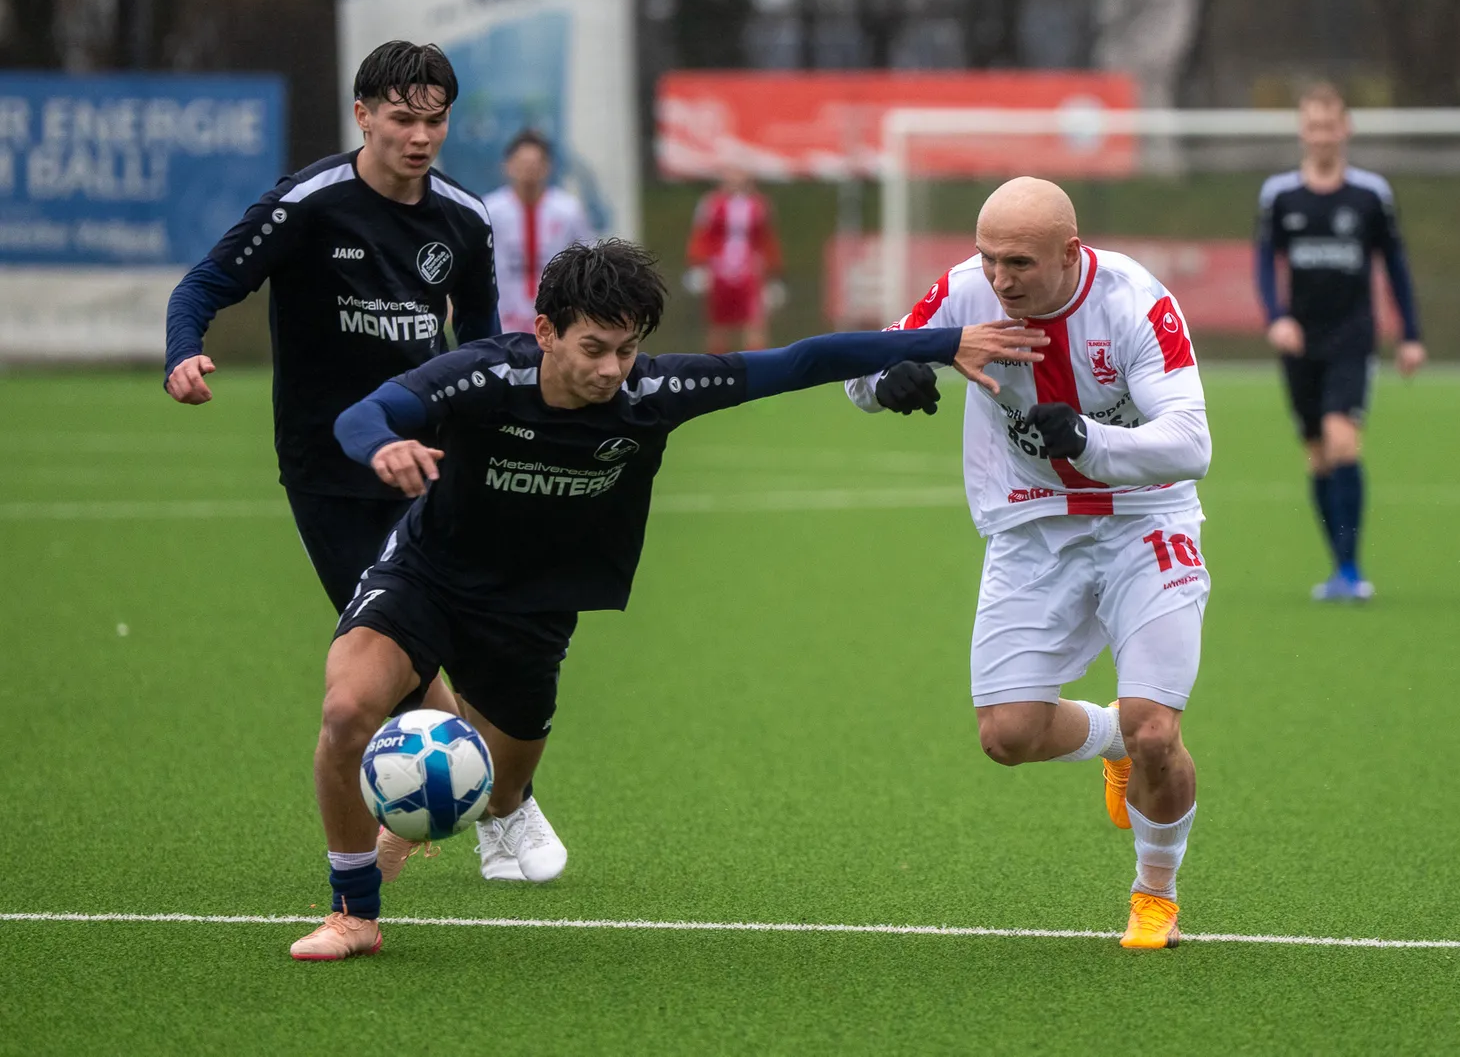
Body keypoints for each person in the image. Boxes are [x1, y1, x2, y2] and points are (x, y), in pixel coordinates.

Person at [287, 238, 1047, 960]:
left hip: (535, 608)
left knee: (502, 785)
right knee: (348, 710)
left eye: (626, 350)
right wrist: (384, 445)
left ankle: (478, 809)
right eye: (593, 349)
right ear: (545, 332)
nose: (612, 370)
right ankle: (354, 913)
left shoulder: (654, 391)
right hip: (426, 576)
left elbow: (801, 360)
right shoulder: (482, 377)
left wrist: (943, 343)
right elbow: (361, 416)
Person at [161, 41, 546, 882]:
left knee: (466, 636)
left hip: (429, 460)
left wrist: (498, 437)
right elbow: (203, 285)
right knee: (399, 653)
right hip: (328, 471)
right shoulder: (307, 204)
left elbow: (481, 345)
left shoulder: (464, 217)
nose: (420, 136)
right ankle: (496, 806)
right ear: (363, 115)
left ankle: (490, 810)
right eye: (402, 119)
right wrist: (182, 352)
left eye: (435, 120)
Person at [844, 178, 1212, 950]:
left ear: (1070, 252)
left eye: (1019, 262)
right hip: (1031, 523)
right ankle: (1112, 739)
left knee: (1156, 730)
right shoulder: (965, 291)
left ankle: (1155, 893)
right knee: (1007, 736)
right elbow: (859, 371)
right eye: (988, 258)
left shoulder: (1136, 301)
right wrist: (885, 380)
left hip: (1146, 520)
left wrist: (1088, 439)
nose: (999, 279)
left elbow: (1191, 442)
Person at [1256, 82, 1426, 601]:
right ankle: (1339, 570)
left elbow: (1395, 265)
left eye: (1330, 125)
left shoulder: (1371, 194)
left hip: (1353, 335)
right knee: (1317, 456)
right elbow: (1264, 264)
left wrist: (1411, 333)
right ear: (1302, 131)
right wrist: (1277, 318)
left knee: (1342, 440)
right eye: (1313, 126)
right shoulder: (1279, 195)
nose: (1322, 135)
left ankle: (1352, 571)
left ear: (1345, 129)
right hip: (1300, 341)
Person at [483, 129, 594, 333]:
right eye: (522, 164)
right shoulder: (490, 210)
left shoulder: (569, 211)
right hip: (503, 319)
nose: (528, 171)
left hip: (557, 318)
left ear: (547, 167)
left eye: (534, 164)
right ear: (507, 166)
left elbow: (587, 261)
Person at [684, 166, 783, 353]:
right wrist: (698, 265)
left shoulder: (759, 205)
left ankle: (757, 365)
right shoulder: (711, 204)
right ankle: (716, 366)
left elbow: (767, 239)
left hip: (751, 271)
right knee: (718, 325)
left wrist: (774, 274)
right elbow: (702, 235)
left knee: (755, 322)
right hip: (719, 271)